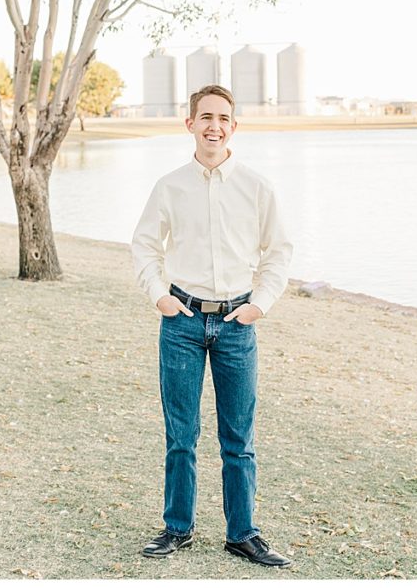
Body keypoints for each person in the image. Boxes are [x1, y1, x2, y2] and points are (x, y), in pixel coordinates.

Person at [131, 84, 293, 568]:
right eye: (205, 117)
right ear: (189, 124)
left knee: (238, 439)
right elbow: (144, 245)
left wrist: (259, 304)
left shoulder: (257, 187)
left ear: (234, 126)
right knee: (181, 434)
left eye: (223, 118)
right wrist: (159, 295)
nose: (213, 126)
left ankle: (242, 534)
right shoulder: (169, 185)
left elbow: (279, 252)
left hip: (237, 324)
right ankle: (176, 528)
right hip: (181, 321)